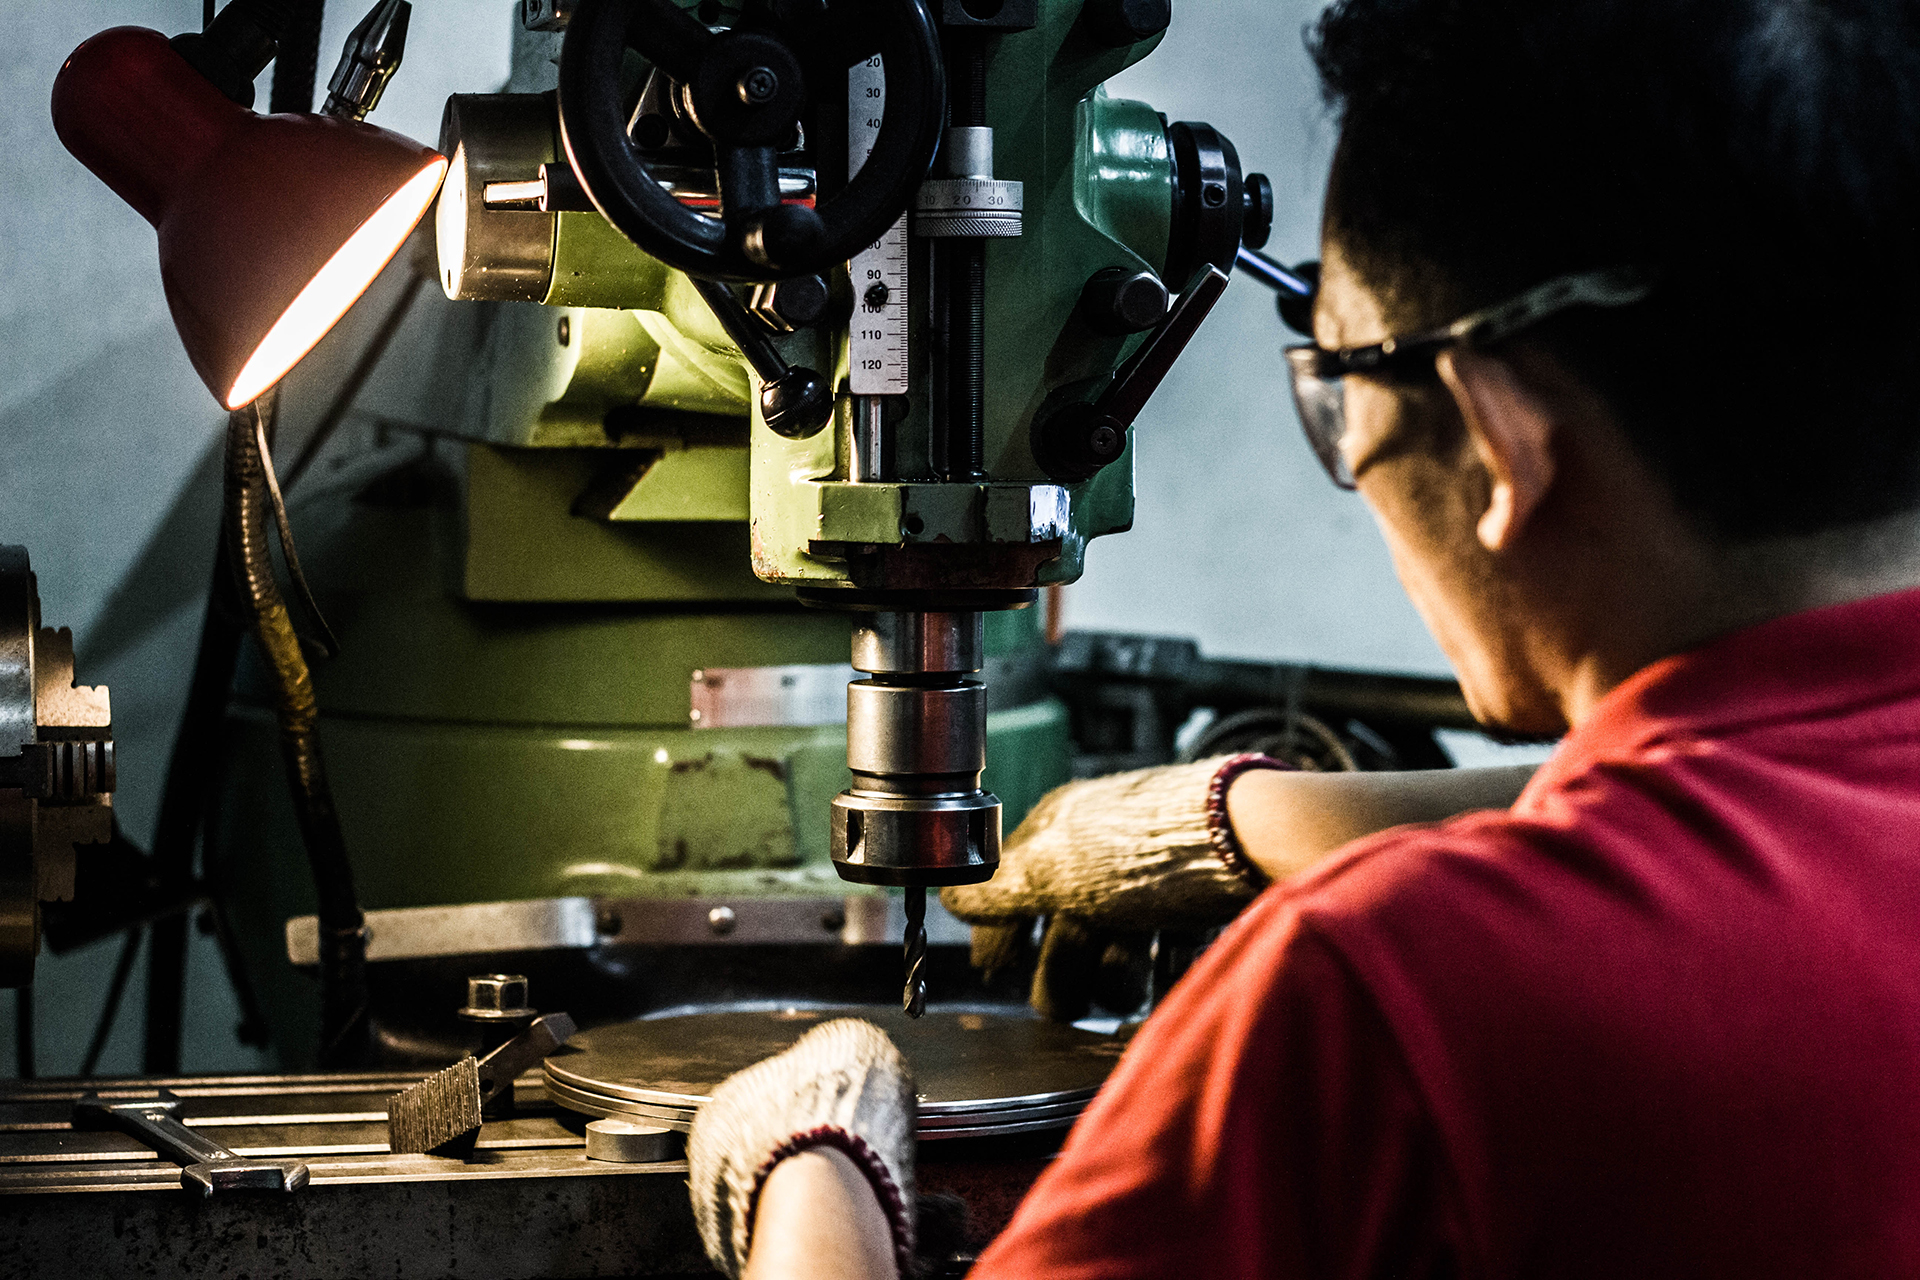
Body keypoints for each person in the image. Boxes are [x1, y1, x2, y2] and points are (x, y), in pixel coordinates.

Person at [683, 0, 1920, 1274]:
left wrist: (817, 1166)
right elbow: (1765, 809)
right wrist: (1245, 815)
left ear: (1502, 436)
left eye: (1340, 391)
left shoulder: (1378, 1005)